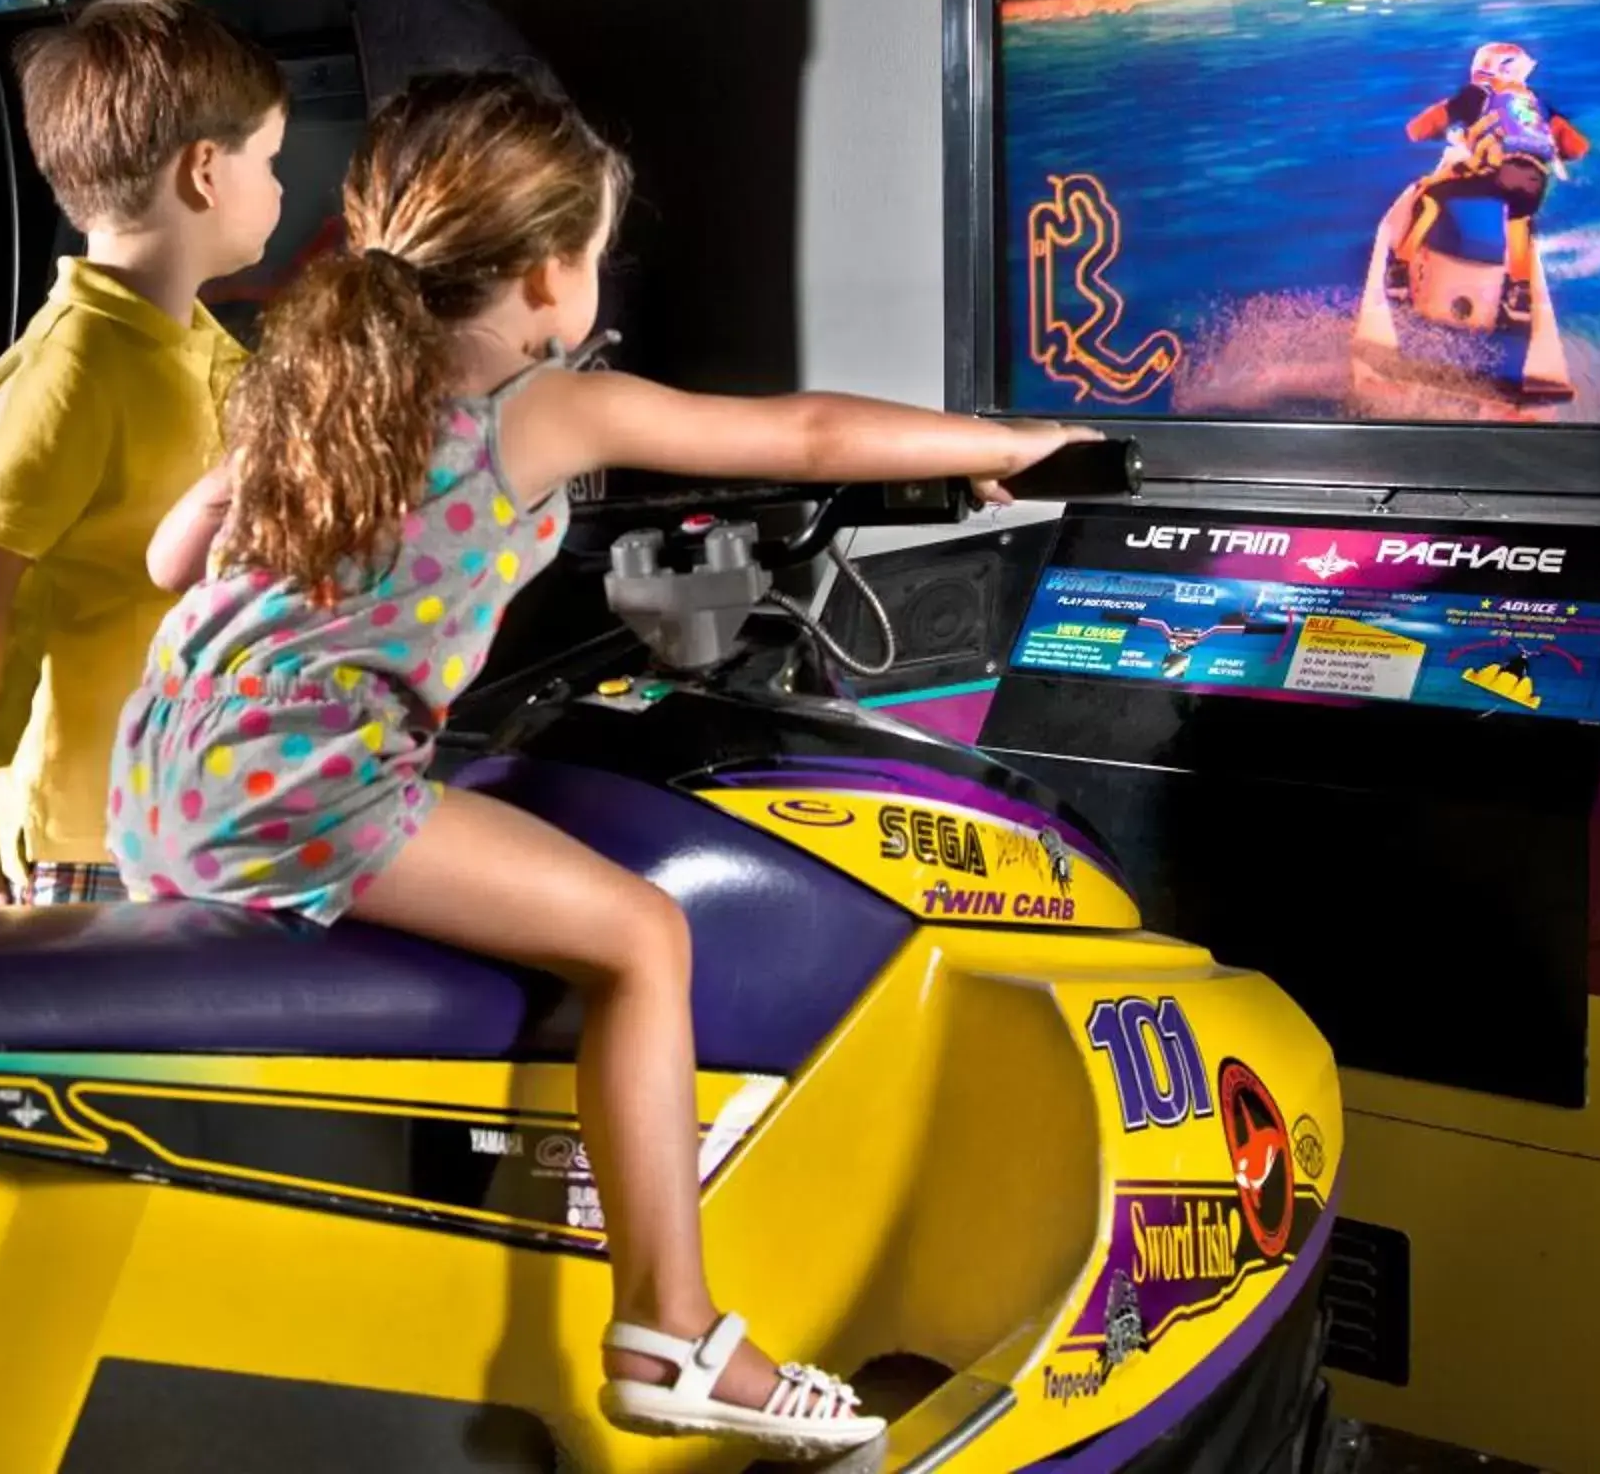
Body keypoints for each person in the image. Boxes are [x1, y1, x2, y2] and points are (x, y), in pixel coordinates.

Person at [113, 72, 1095, 1457]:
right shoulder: (544, 413)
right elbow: (803, 435)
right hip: (304, 786)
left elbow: (168, 563)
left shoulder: (309, 384)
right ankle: (674, 1335)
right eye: (593, 255)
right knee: (640, 937)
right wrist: (1004, 446)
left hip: (162, 766)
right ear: (545, 275)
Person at [0, 0, 284, 907]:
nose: (280, 188)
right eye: (270, 161)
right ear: (204, 171)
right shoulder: (73, 366)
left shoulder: (197, 346)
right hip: (86, 829)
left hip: (186, 802)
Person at [1388, 40, 1593, 326]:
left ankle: (1398, 270)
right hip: (1535, 181)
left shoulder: (1478, 94)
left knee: (1430, 195)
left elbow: (1417, 130)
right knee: (1519, 220)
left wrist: (1439, 125)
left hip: (1500, 174)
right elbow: (1579, 147)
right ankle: (1520, 292)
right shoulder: (1537, 104)